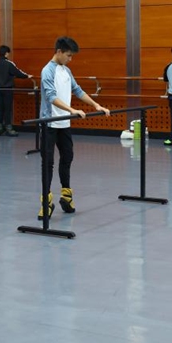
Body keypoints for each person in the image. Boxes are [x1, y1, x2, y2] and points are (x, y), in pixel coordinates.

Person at [37, 36, 110, 219]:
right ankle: (46, 203)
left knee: (67, 158)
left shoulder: (66, 71)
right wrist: (71, 109)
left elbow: (77, 90)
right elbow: (51, 97)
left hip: (64, 123)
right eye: (69, 55)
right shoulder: (47, 71)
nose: (71, 59)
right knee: (48, 163)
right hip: (50, 123)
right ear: (59, 52)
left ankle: (66, 197)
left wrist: (96, 105)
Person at [0, 45, 32, 137]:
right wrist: (27, 76)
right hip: (7, 89)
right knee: (7, 108)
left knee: (0, 108)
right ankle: (8, 127)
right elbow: (17, 72)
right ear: (6, 53)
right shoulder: (9, 63)